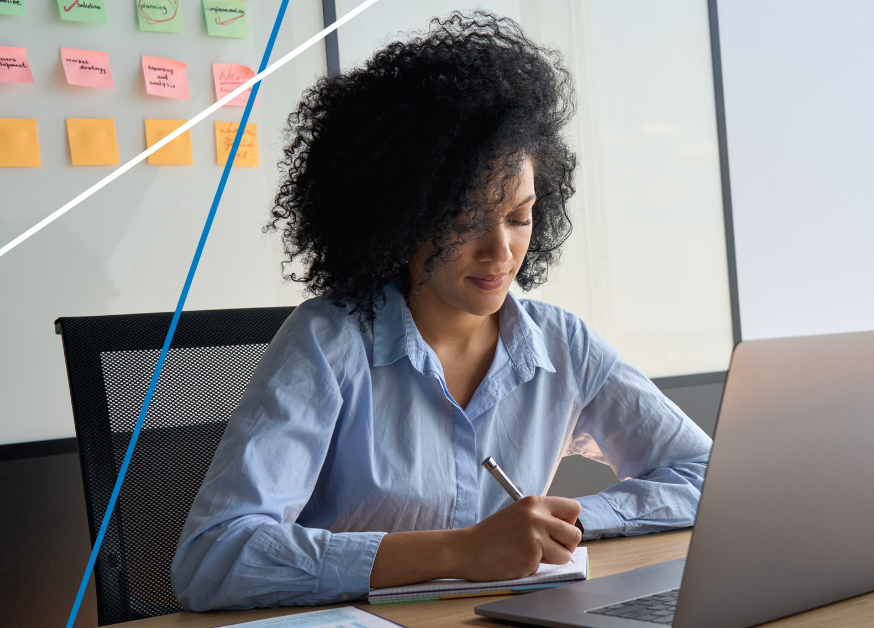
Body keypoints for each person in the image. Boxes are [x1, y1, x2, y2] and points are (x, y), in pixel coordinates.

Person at [171, 12, 712, 611]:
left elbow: (705, 473)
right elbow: (213, 559)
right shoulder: (328, 344)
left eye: (518, 216)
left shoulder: (564, 345)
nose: (500, 251)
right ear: (399, 218)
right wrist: (461, 550)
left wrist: (562, 523)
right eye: (465, 219)